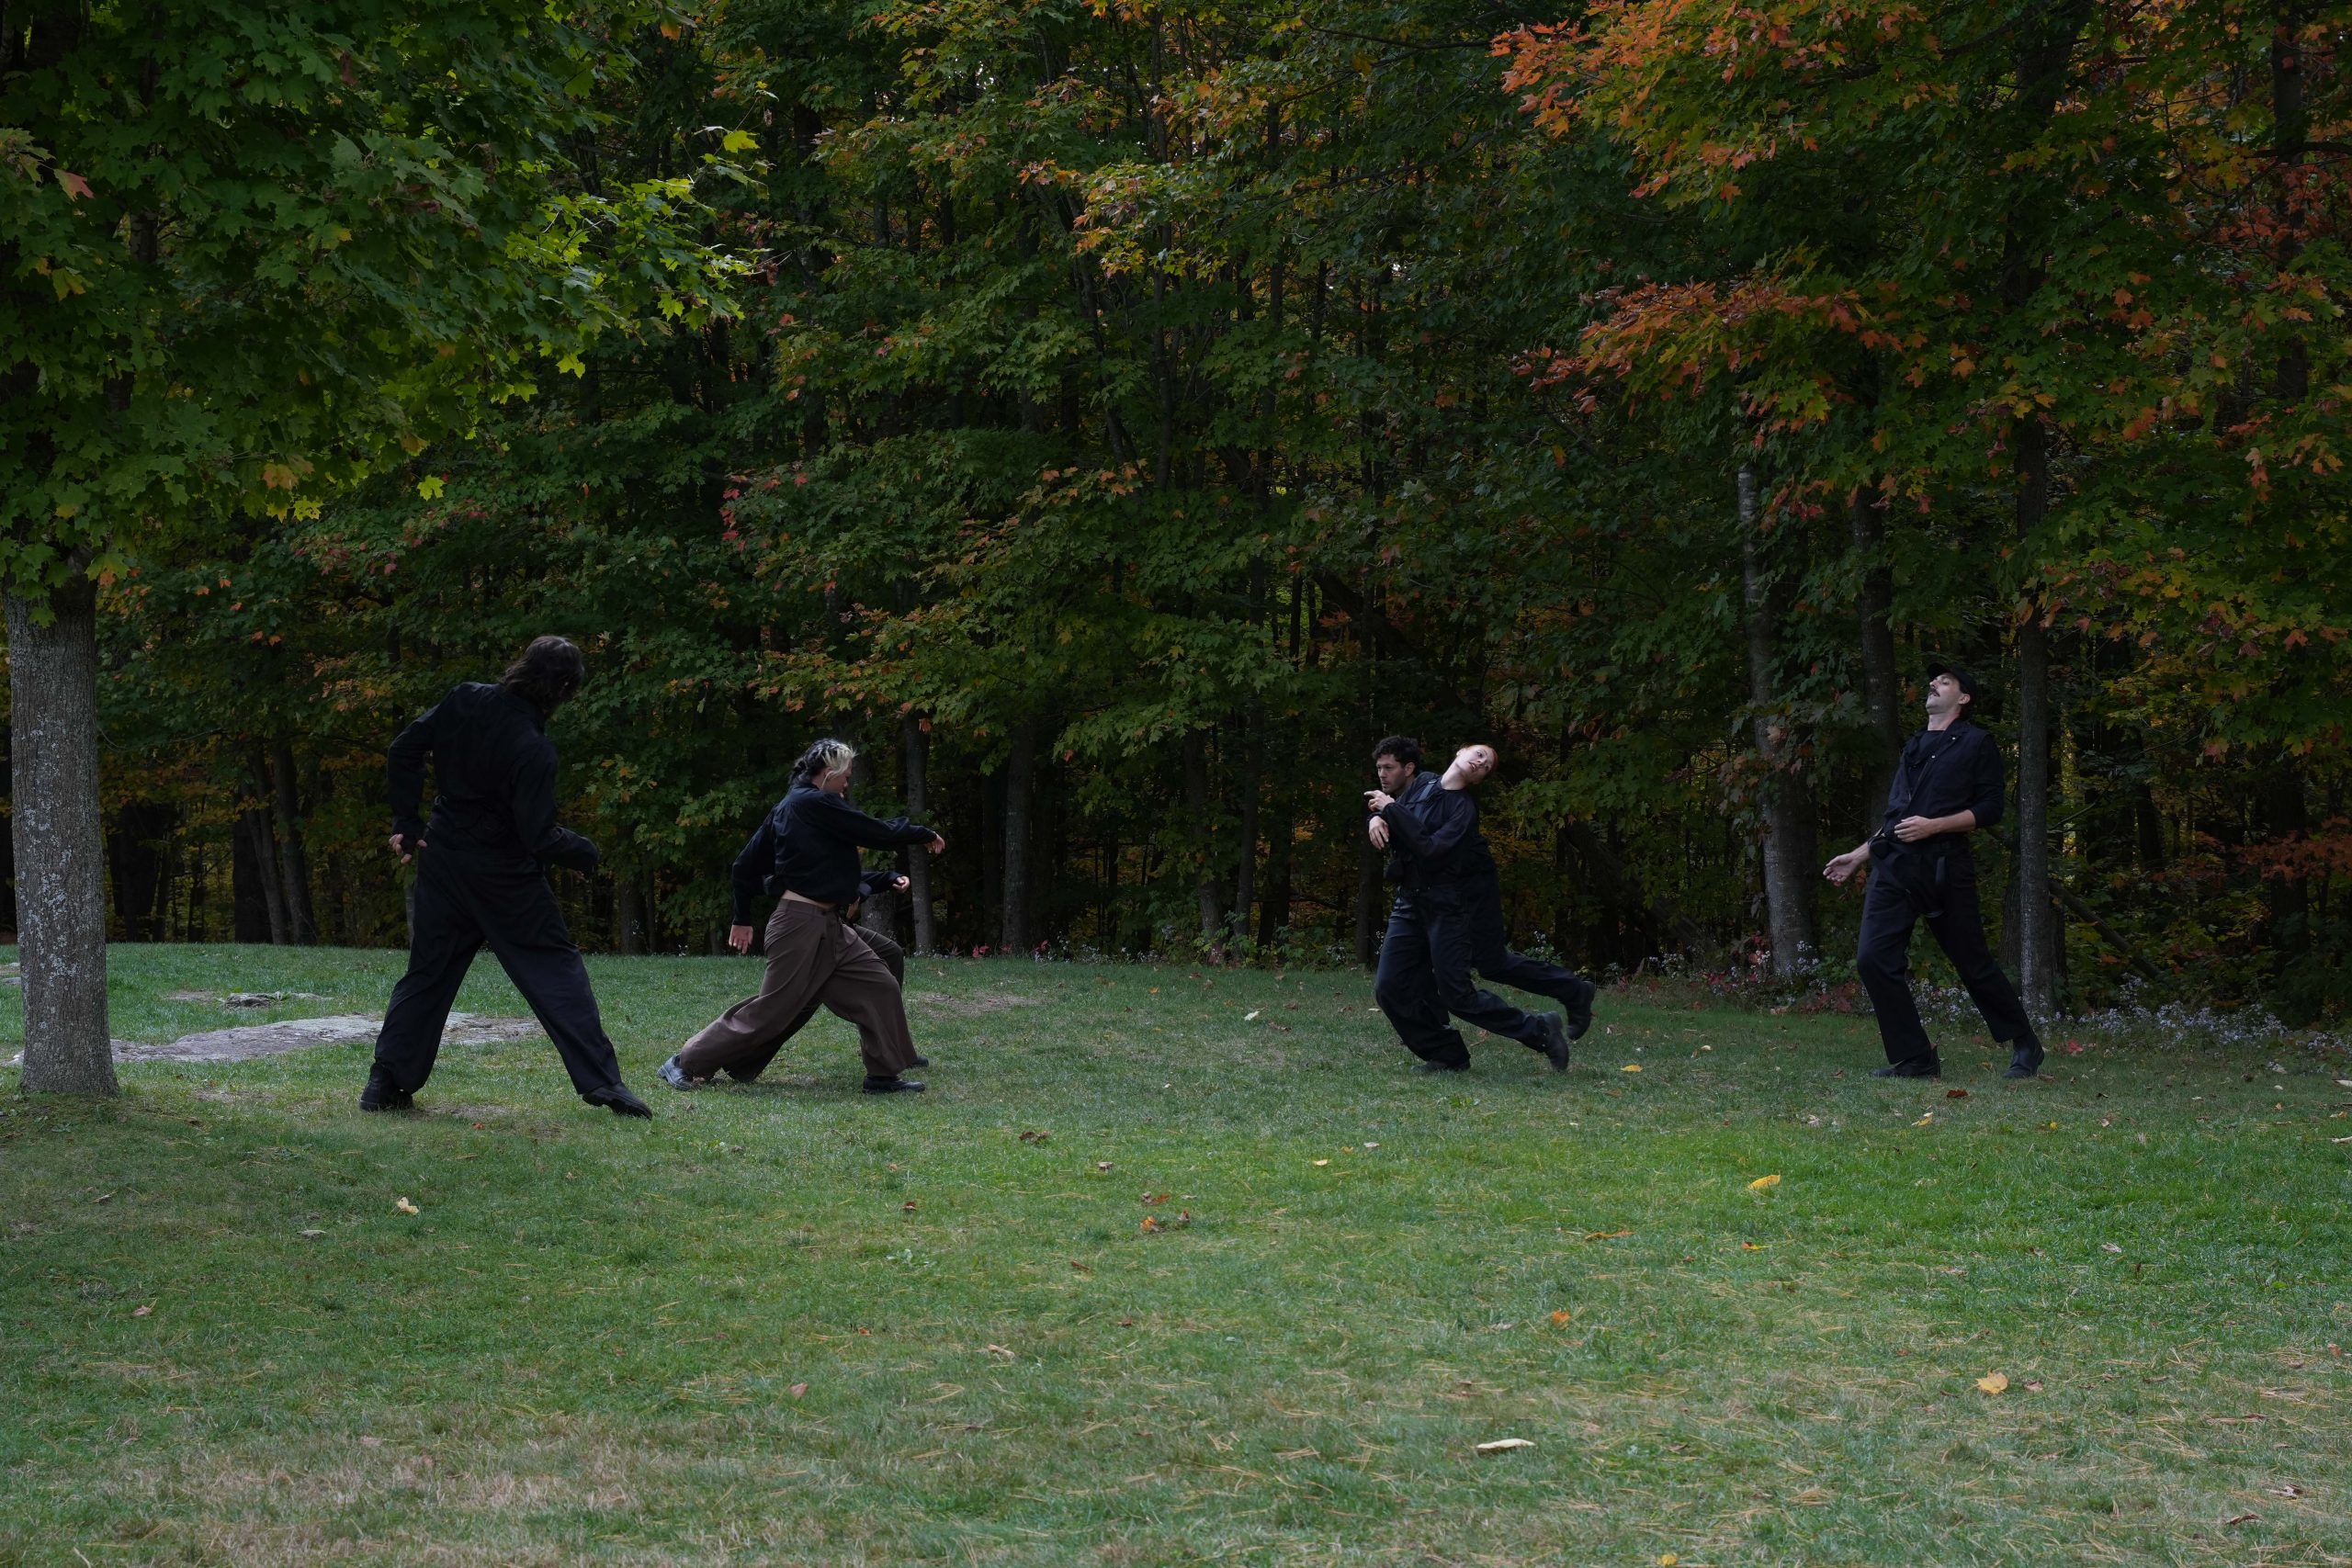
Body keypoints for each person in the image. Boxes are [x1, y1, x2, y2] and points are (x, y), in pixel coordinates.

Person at [363, 636, 652, 1118]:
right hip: (503, 877)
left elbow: (403, 750)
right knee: (553, 968)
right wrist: (585, 852)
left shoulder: (464, 699)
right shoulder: (534, 749)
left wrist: (407, 824)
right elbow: (538, 837)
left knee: (428, 973)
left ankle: (385, 1082)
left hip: (444, 860)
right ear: (562, 688)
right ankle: (603, 1084)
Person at [660, 739, 944, 1095]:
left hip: (831, 925)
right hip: (799, 925)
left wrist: (742, 917)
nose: (847, 784)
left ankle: (882, 1076)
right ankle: (683, 1062)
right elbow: (873, 831)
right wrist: (922, 833)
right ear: (828, 775)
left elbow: (753, 867)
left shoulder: (799, 807)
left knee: (880, 985)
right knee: (774, 1010)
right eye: (846, 776)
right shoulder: (811, 803)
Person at [1823, 661, 2046, 1079]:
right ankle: (1917, 1058)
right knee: (1873, 959)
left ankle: (2026, 1043)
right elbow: (1896, 816)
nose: (1933, 684)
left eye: (1945, 681)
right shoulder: (1913, 745)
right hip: (1895, 866)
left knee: (1972, 961)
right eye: (1934, 680)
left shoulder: (1977, 743)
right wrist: (1859, 854)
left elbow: (1991, 809)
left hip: (1944, 865)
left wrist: (1935, 825)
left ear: (1963, 698)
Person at [1368, 740, 1591, 1073]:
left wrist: (1390, 811)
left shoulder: (1463, 809)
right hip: (1410, 902)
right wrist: (1375, 819)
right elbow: (1390, 809)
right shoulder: (1422, 784)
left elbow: (1427, 847)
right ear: (1459, 752)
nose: (1480, 762)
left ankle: (1547, 1021)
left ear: (1480, 779)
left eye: (1486, 765)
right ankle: (1446, 1052)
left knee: (1472, 978)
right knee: (1390, 987)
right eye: (1479, 754)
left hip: (1456, 900)